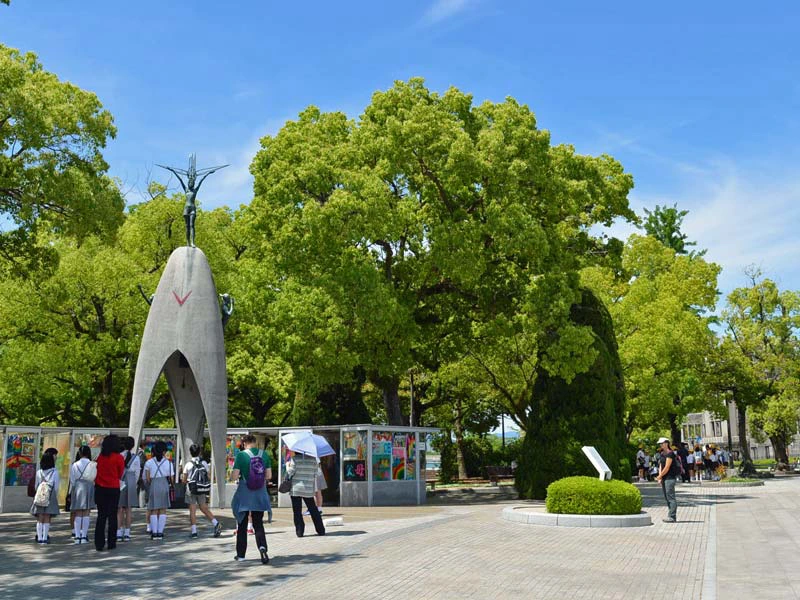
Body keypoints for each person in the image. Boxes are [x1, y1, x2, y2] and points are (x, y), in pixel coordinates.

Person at [231, 434, 271, 564]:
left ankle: (241, 555)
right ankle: (262, 547)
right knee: (258, 522)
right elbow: (269, 475)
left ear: (244, 444)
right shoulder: (264, 455)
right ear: (255, 443)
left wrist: (234, 475)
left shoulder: (241, 456)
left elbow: (235, 476)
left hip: (245, 492)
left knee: (242, 523)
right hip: (260, 492)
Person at [182, 443, 222, 538]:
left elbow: (184, 479)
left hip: (191, 489)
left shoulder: (188, 464)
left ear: (190, 452)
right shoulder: (203, 463)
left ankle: (194, 532)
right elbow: (208, 475)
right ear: (199, 452)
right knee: (204, 508)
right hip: (201, 488)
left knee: (192, 510)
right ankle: (216, 523)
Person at [94, 434, 124, 552]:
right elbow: (120, 473)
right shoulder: (119, 457)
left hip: (100, 488)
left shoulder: (100, 457)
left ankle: (99, 542)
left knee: (101, 516)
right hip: (113, 487)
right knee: (112, 515)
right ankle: (112, 542)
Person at [286, 450, 326, 538]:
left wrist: (288, 468)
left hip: (296, 489)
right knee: (313, 509)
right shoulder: (313, 460)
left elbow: (290, 473)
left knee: (297, 511)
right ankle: (321, 530)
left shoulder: (294, 459)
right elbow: (316, 473)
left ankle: (300, 531)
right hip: (308, 489)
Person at [144, 440, 174, 540]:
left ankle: (154, 532)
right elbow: (172, 478)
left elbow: (147, 478)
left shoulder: (149, 462)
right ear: (164, 452)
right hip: (164, 485)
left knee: (153, 509)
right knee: (163, 510)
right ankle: (160, 532)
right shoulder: (168, 463)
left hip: (154, 484)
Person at [30, 451, 60, 544]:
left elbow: (36, 485)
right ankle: (44, 537)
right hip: (50, 495)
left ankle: (39, 537)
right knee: (47, 516)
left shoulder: (39, 472)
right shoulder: (54, 472)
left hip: (40, 496)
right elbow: (56, 486)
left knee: (40, 517)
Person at [117, 436, 140, 542]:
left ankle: (119, 531)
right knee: (129, 508)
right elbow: (137, 473)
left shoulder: (119, 455)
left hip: (120, 481)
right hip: (131, 480)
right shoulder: (136, 457)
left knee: (120, 508)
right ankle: (127, 532)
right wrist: (134, 483)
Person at [655, 437, 679, 523]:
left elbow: (667, 467)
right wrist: (660, 476)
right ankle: (670, 515)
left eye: (662, 443)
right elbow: (661, 465)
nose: (661, 445)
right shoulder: (662, 454)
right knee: (667, 497)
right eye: (660, 444)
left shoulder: (670, 454)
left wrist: (660, 476)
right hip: (664, 478)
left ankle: (672, 516)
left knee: (671, 497)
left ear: (666, 443)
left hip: (670, 478)